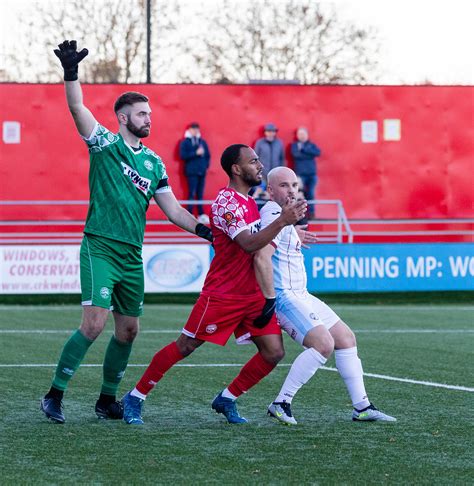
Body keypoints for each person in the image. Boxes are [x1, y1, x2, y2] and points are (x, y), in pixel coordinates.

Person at [40, 40, 213, 424]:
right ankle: (54, 394)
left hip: (132, 256)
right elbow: (76, 107)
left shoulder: (154, 162)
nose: (148, 119)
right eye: (140, 114)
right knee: (94, 323)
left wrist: (206, 230)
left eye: (149, 114)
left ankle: (106, 400)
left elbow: (173, 211)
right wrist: (71, 73)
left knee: (129, 330)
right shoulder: (104, 143)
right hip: (99, 246)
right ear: (122, 117)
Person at [121, 144, 307, 425]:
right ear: (236, 168)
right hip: (223, 294)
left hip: (253, 293)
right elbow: (248, 245)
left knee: (273, 352)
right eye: (253, 161)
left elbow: (261, 241)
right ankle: (134, 397)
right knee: (185, 346)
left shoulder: (249, 201)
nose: (260, 165)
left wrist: (291, 232)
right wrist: (283, 221)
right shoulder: (226, 203)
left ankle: (227, 398)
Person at [253, 167, 396, 425]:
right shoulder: (273, 213)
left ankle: (362, 407)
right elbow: (262, 246)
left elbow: (278, 231)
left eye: (294, 185)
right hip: (284, 296)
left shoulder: (284, 219)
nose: (291, 191)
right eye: (283, 186)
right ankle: (281, 402)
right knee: (323, 344)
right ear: (270, 191)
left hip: (302, 294)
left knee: (345, 338)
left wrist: (293, 231)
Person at [179, 122, 211, 223]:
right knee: (191, 193)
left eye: (197, 129)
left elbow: (208, 156)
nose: (196, 131)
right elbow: (182, 155)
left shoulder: (202, 142)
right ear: (189, 130)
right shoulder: (185, 142)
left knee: (200, 194)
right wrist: (195, 153)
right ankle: (190, 213)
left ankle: (201, 214)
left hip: (201, 171)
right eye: (193, 129)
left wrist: (205, 166)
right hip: (191, 171)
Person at [291, 127, 321, 218]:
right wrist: (309, 154)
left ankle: (311, 214)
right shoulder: (295, 145)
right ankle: (301, 214)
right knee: (300, 194)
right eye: (300, 134)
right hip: (300, 175)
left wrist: (304, 149)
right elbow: (296, 155)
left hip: (312, 174)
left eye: (303, 134)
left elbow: (318, 152)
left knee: (311, 194)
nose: (302, 136)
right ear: (297, 135)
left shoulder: (311, 145)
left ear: (307, 135)